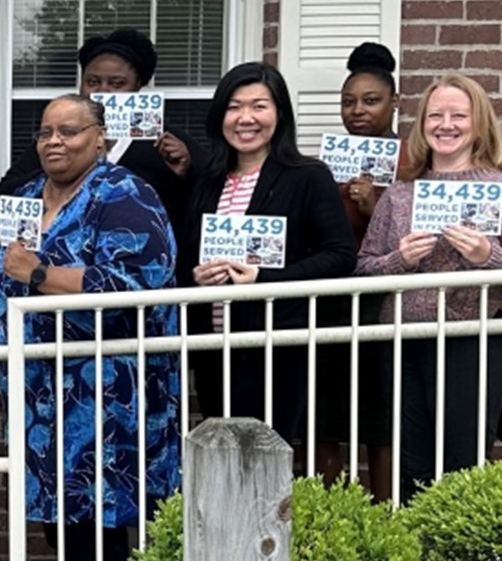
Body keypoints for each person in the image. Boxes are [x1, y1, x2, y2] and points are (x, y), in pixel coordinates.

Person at [0, 94, 181, 561]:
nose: (54, 142)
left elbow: (139, 282)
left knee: (101, 500)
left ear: (99, 137)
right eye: (46, 132)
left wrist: (41, 272)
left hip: (107, 385)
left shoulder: (124, 195)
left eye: (69, 131)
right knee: (57, 498)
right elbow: (2, 281)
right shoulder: (25, 198)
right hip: (42, 382)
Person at [176, 63, 356, 443]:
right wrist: (195, 276)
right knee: (222, 456)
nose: (246, 118)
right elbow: (184, 257)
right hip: (213, 347)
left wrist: (265, 279)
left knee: (270, 457)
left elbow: (340, 256)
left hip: (278, 345)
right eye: (234, 107)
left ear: (280, 113)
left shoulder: (307, 175)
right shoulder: (206, 181)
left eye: (259, 106)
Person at [355, 72, 502, 504]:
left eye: (459, 115)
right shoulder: (400, 196)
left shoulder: (498, 188)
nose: (446, 124)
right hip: (403, 341)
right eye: (435, 115)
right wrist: (400, 260)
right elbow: (362, 271)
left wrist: (485, 257)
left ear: (479, 123)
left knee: (463, 459)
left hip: (471, 339)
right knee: (411, 463)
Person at [0, 28, 200, 222]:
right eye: (92, 82)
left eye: (117, 84)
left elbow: (197, 213)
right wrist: (57, 172)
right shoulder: (56, 140)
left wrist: (185, 173)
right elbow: (2, 202)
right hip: (57, 258)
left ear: (138, 86)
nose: (103, 92)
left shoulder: (166, 145)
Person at [317, 42, 403, 497]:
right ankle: (333, 515)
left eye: (371, 101)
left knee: (380, 415)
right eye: (348, 102)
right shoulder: (325, 163)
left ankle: (386, 513)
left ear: (394, 103)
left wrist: (375, 208)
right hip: (333, 298)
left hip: (384, 300)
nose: (358, 111)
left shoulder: (411, 161)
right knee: (327, 414)